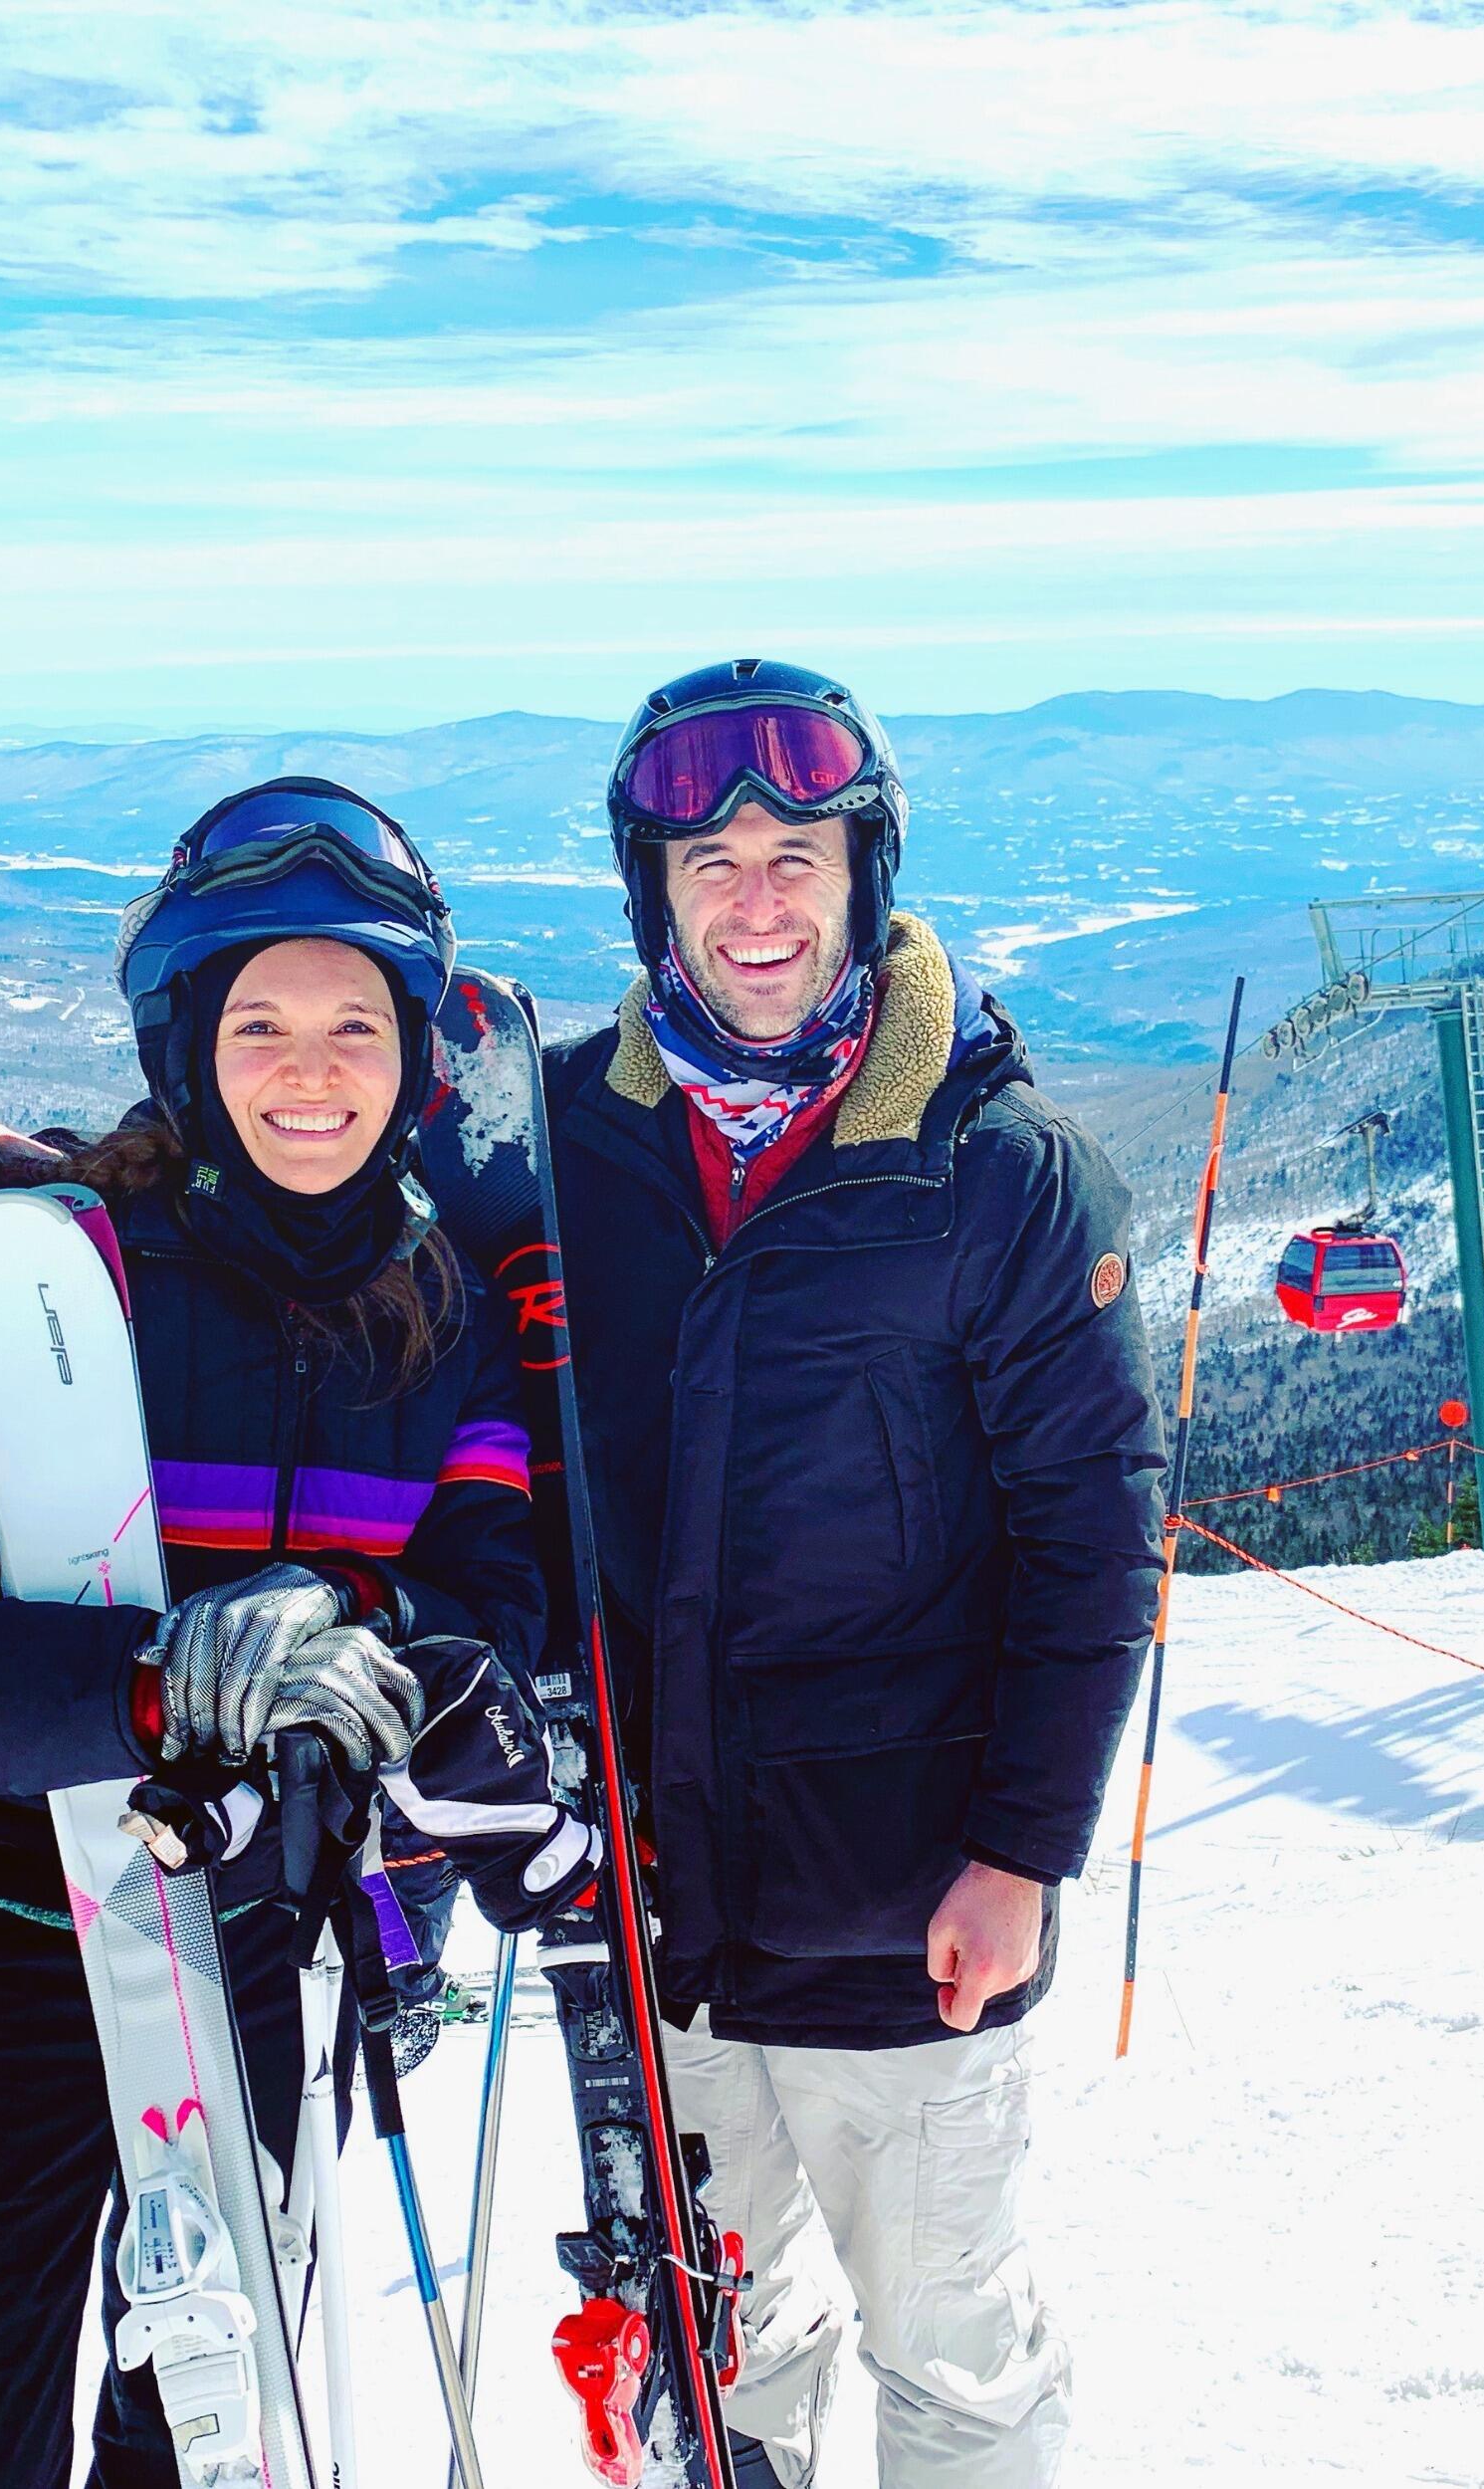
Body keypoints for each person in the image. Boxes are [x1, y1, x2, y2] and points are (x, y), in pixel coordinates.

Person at [0, 778, 596, 2489]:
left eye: (357, 1024)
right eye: (265, 1022)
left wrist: (347, 1621)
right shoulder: (35, 1284)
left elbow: (491, 1597)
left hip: (253, 1952)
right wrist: (155, 1684)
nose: (314, 1069)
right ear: (190, 1046)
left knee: (205, 2447)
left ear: (414, 1057)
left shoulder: (443, 1322)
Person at [543, 659, 1166, 2488]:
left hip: (910, 1912)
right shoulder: (581, 1138)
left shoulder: (992, 1169)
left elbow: (1088, 1533)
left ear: (861, 874)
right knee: (717, 2344)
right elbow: (317, 1134)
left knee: (953, 2360)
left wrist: (1022, 1852)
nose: (754, 900)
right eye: (709, 860)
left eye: (793, 853)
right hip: (657, 1903)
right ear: (650, 888)